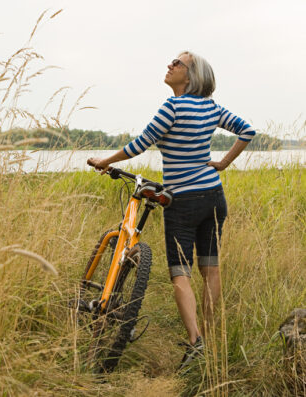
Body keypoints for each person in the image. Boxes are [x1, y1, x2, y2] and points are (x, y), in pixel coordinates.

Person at [87, 51, 255, 369]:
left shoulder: (174, 107)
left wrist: (104, 161)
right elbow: (247, 131)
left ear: (190, 76)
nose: (170, 65)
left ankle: (195, 343)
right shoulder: (211, 107)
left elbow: (141, 144)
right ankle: (205, 335)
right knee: (211, 270)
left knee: (180, 273)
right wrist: (221, 164)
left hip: (184, 201)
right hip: (214, 197)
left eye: (177, 64)